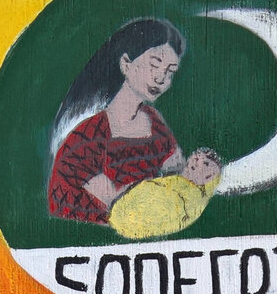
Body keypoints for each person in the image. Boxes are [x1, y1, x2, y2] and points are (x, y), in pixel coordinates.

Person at [47, 20, 222, 233]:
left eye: (170, 71)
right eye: (154, 63)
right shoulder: (87, 138)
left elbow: (180, 177)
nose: (161, 78)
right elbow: (121, 205)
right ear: (126, 64)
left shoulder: (155, 123)